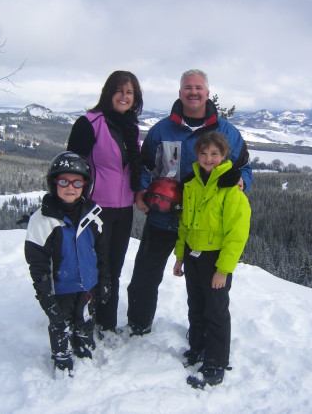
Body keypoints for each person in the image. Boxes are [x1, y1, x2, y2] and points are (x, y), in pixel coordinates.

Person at [127, 69, 253, 336]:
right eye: (187, 87)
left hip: (205, 228)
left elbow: (245, 169)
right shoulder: (162, 130)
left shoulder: (226, 132)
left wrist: (242, 183)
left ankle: (204, 338)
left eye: (198, 87)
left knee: (205, 287)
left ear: (207, 93)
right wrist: (141, 192)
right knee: (144, 278)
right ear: (180, 92)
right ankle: (138, 326)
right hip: (163, 217)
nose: (193, 92)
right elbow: (145, 168)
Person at [173, 132, 251, 388]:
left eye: (214, 154)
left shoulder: (230, 187)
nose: (208, 159)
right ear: (197, 155)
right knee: (195, 305)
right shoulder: (191, 184)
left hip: (215, 260)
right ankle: (197, 346)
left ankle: (216, 360)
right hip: (193, 257)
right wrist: (180, 257)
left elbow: (237, 235)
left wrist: (223, 270)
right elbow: (185, 224)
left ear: (224, 155)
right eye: (203, 153)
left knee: (215, 310)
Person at [67, 71, 143, 333]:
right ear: (108, 92)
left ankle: (106, 323)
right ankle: (84, 319)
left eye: (130, 92)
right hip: (95, 209)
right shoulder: (89, 123)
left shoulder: (132, 128)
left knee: (114, 266)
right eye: (119, 90)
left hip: (124, 209)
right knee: (93, 267)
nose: (124, 96)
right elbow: (72, 167)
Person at [25, 151, 110, 377]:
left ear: (85, 185)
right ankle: (62, 356)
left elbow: (101, 253)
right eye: (63, 181)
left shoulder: (93, 215)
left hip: (88, 285)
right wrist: (45, 296)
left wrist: (104, 280)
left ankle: (83, 346)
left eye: (77, 182)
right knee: (60, 322)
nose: (70, 187)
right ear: (54, 183)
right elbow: (38, 263)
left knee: (85, 318)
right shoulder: (43, 220)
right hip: (60, 287)